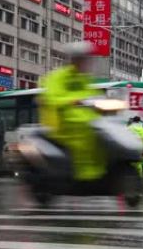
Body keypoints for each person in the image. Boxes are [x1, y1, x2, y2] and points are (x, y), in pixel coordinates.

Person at [39, 41, 105, 181]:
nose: (87, 63)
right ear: (74, 59)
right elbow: (51, 98)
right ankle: (82, 175)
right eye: (83, 59)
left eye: (88, 59)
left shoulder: (85, 80)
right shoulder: (57, 77)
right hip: (62, 122)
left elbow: (94, 95)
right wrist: (72, 101)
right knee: (82, 136)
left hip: (85, 121)